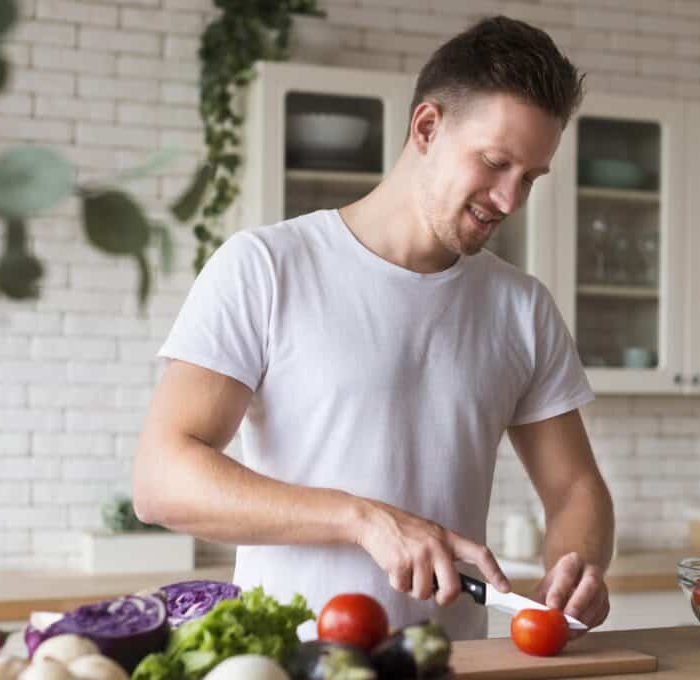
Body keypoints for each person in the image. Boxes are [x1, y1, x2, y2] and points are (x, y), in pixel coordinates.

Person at [132, 15, 614, 640]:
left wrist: (577, 566)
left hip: (453, 663)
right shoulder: (268, 268)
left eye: (530, 178)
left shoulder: (520, 307)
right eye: (495, 163)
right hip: (288, 662)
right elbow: (161, 480)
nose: (509, 200)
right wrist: (363, 519)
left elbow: (576, 488)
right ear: (427, 127)